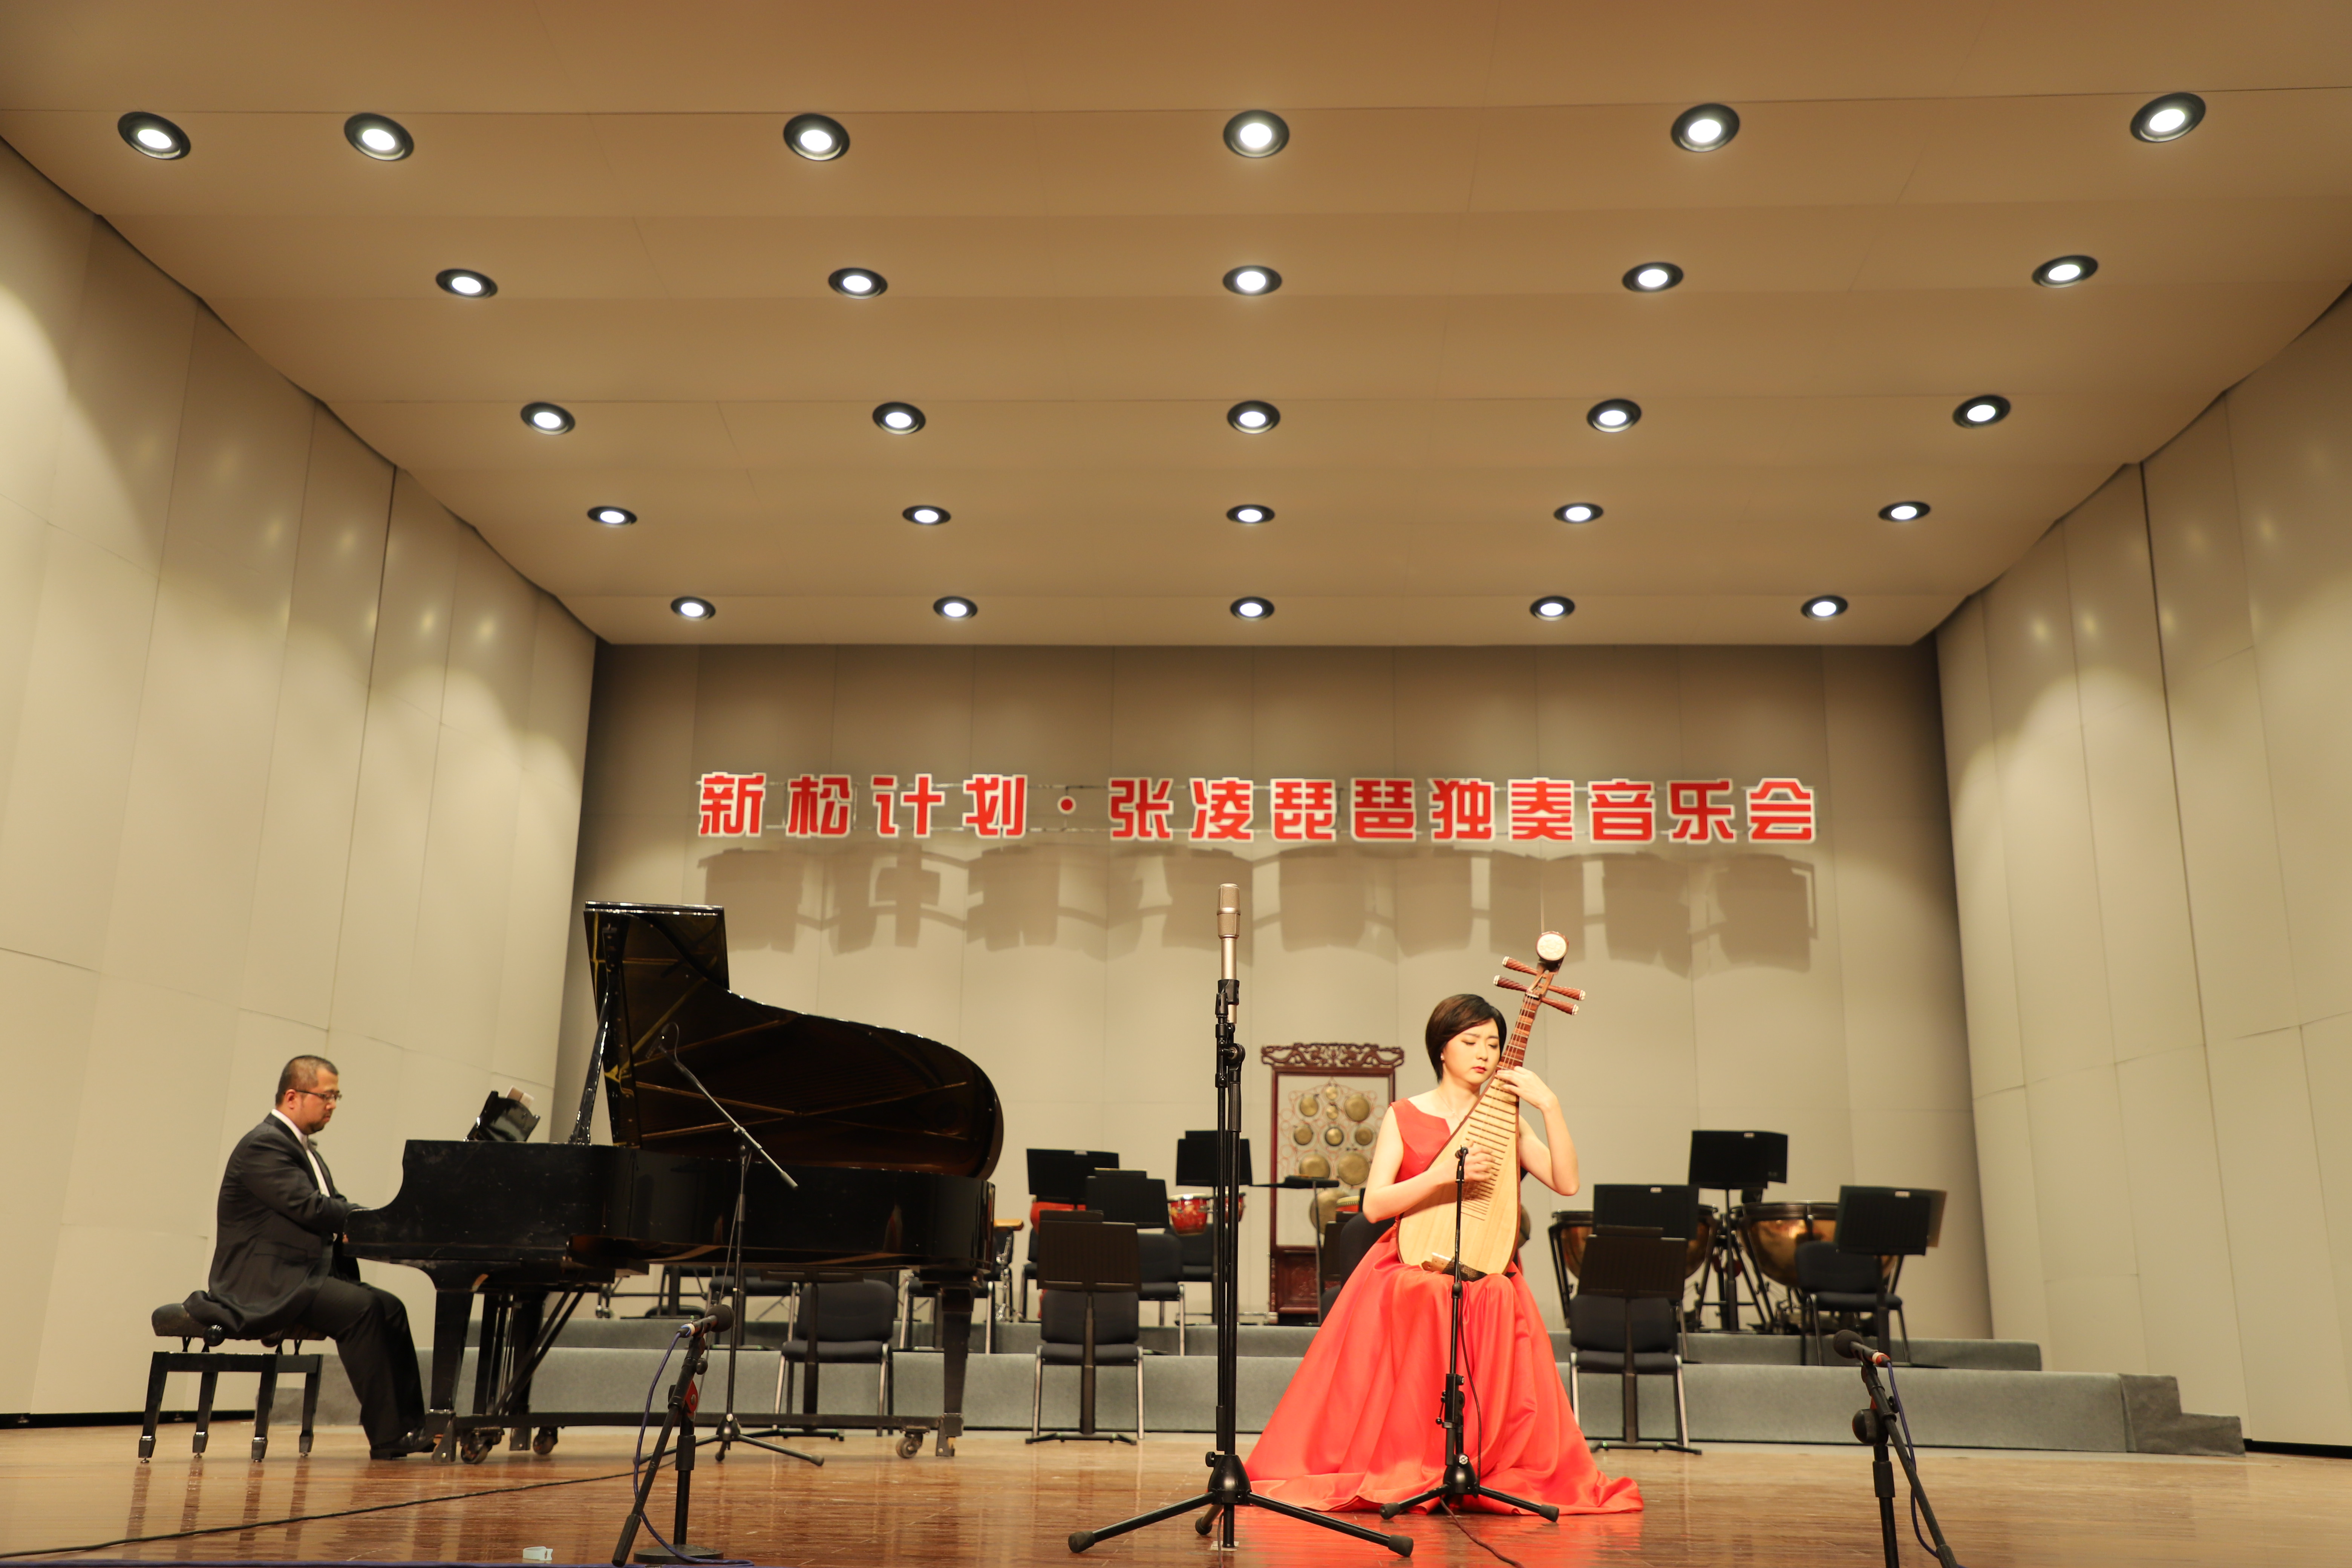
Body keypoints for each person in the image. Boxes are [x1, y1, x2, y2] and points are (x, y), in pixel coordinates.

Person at [1246, 995, 1641, 1515]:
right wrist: (1441, 1175)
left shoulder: (1508, 1120)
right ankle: (1413, 1459)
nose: (1484, 1053)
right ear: (1442, 1049)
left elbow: (1566, 1182)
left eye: (1493, 1044)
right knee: (1431, 1293)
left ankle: (1478, 1458)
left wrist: (1549, 1105)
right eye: (1471, 1041)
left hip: (1483, 1263)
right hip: (1411, 1263)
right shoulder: (1405, 1115)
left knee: (1497, 1293)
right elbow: (1374, 1205)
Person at [185, 1055, 431, 1459]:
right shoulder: (264, 1144)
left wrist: (371, 1223)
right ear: (293, 1097)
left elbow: (328, 1205)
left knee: (392, 1307)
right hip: (265, 1279)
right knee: (364, 1309)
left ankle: (413, 1426)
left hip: (298, 1272)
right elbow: (309, 1207)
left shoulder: (301, 1148)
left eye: (337, 1097)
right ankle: (388, 1436)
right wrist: (374, 1218)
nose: (333, 1105)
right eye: (326, 1096)